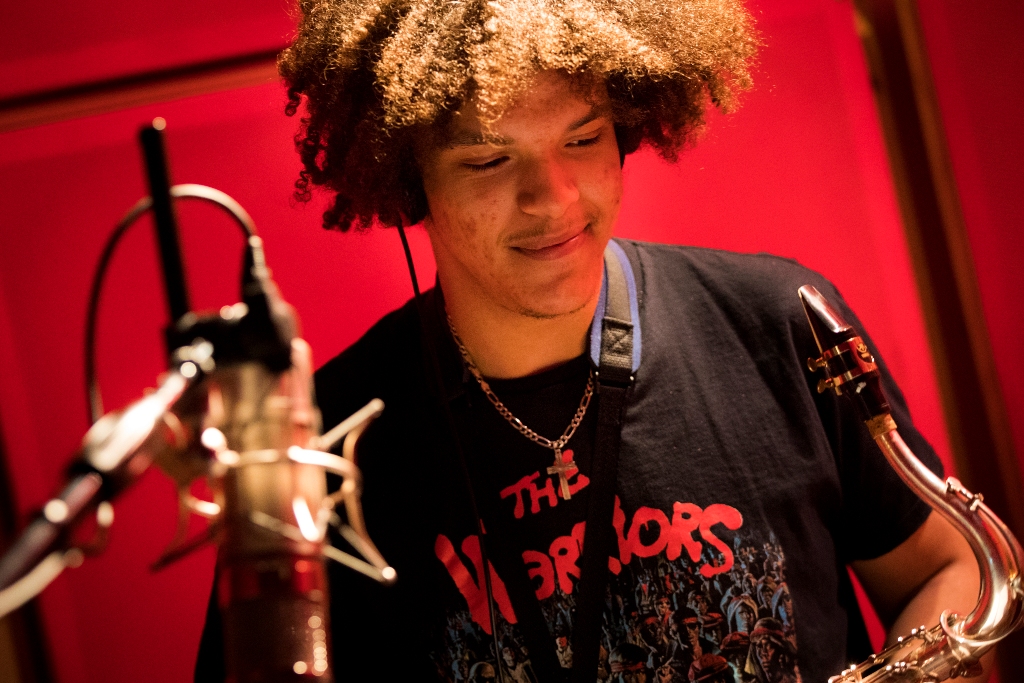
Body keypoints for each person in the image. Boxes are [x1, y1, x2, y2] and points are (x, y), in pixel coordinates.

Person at [192, 0, 987, 681]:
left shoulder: (783, 320)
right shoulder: (318, 446)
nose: (554, 198)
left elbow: (952, 566)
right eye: (490, 159)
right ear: (406, 181)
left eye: (582, 139)